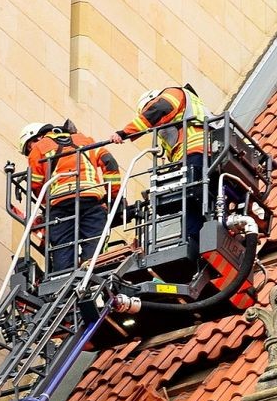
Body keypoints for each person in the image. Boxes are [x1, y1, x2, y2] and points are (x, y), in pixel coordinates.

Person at [109, 85, 212, 242]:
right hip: (193, 156)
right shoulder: (178, 116)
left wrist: (125, 133)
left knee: (191, 197)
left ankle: (194, 239)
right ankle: (196, 241)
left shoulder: (173, 93)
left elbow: (159, 109)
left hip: (196, 151)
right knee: (192, 203)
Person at [18, 122, 121, 271]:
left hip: (60, 205)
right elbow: (110, 163)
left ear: (39, 136)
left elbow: (35, 184)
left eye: (29, 145)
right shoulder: (86, 141)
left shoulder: (38, 150)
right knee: (95, 245)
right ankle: (92, 273)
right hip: (90, 198)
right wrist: (112, 197)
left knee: (62, 250)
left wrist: (48, 205)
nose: (31, 149)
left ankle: (64, 277)